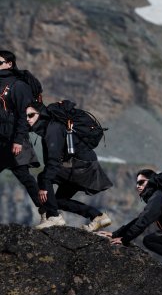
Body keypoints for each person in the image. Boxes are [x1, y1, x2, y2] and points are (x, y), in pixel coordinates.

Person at [25, 101, 112, 231]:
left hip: (81, 165)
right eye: (25, 116)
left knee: (44, 177)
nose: (27, 119)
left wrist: (44, 185)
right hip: (83, 164)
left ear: (40, 114)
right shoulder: (49, 128)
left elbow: (53, 161)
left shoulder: (52, 129)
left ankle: (53, 217)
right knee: (56, 200)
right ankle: (98, 216)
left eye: (31, 115)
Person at [0, 51, 43, 218]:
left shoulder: (19, 86)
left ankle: (48, 212)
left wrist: (18, 140)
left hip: (14, 139)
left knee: (25, 177)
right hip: (1, 140)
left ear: (9, 64)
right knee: (24, 176)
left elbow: (23, 115)